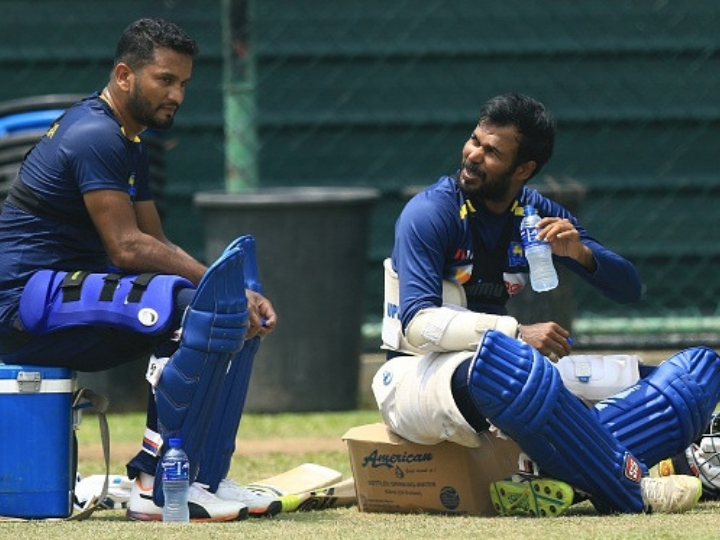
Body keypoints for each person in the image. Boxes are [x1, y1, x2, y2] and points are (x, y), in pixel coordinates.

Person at [374, 93, 720, 516]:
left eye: (492, 151)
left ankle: (547, 477)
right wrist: (516, 332)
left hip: (508, 378)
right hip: (415, 377)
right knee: (509, 366)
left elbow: (629, 288)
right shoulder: (430, 213)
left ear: (523, 169)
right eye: (475, 140)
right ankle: (633, 489)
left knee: (695, 373)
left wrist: (581, 254)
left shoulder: (536, 213)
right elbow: (416, 323)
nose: (473, 156)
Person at [0, 18, 280, 522]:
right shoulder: (95, 134)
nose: (177, 95)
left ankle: (201, 476)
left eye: (184, 84)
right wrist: (217, 284)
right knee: (193, 308)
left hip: (56, 295)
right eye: (165, 80)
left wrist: (229, 290)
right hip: (20, 305)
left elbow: (156, 242)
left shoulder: (129, 140)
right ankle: (155, 484)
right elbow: (126, 248)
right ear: (125, 75)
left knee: (221, 312)